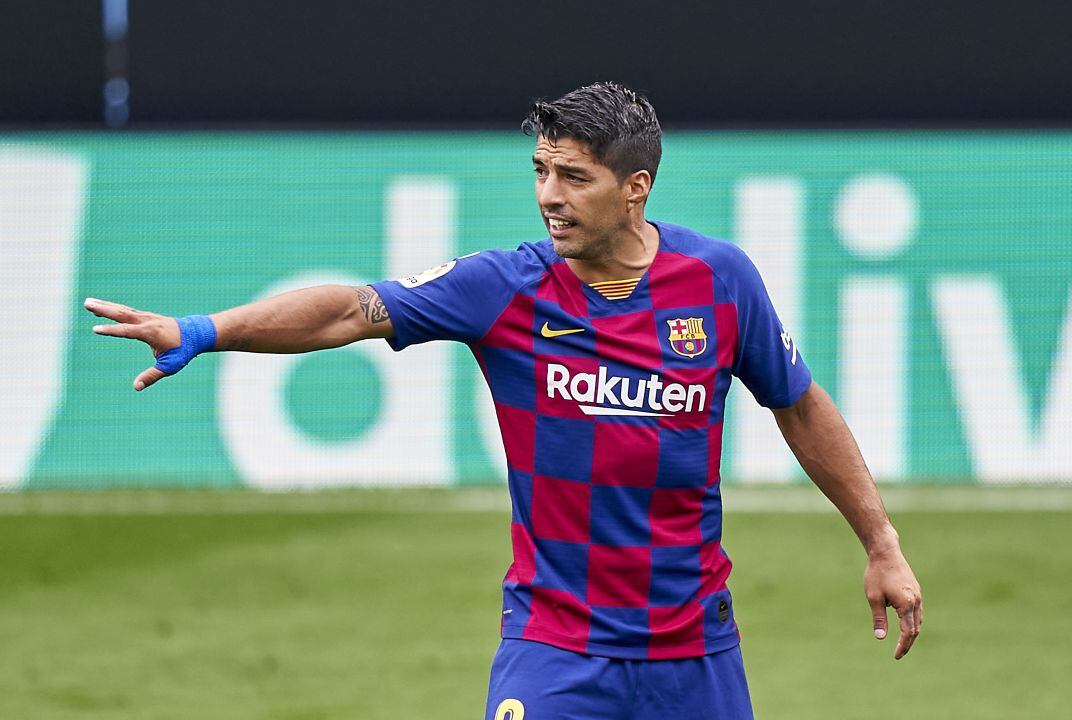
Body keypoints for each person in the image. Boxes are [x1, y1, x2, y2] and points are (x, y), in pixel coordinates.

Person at [86, 81, 922, 719]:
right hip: (555, 647)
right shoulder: (506, 287)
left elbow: (800, 403)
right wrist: (203, 328)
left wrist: (880, 541)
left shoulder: (719, 282)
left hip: (694, 649)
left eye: (574, 177)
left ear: (636, 188)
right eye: (541, 171)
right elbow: (351, 309)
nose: (548, 195)